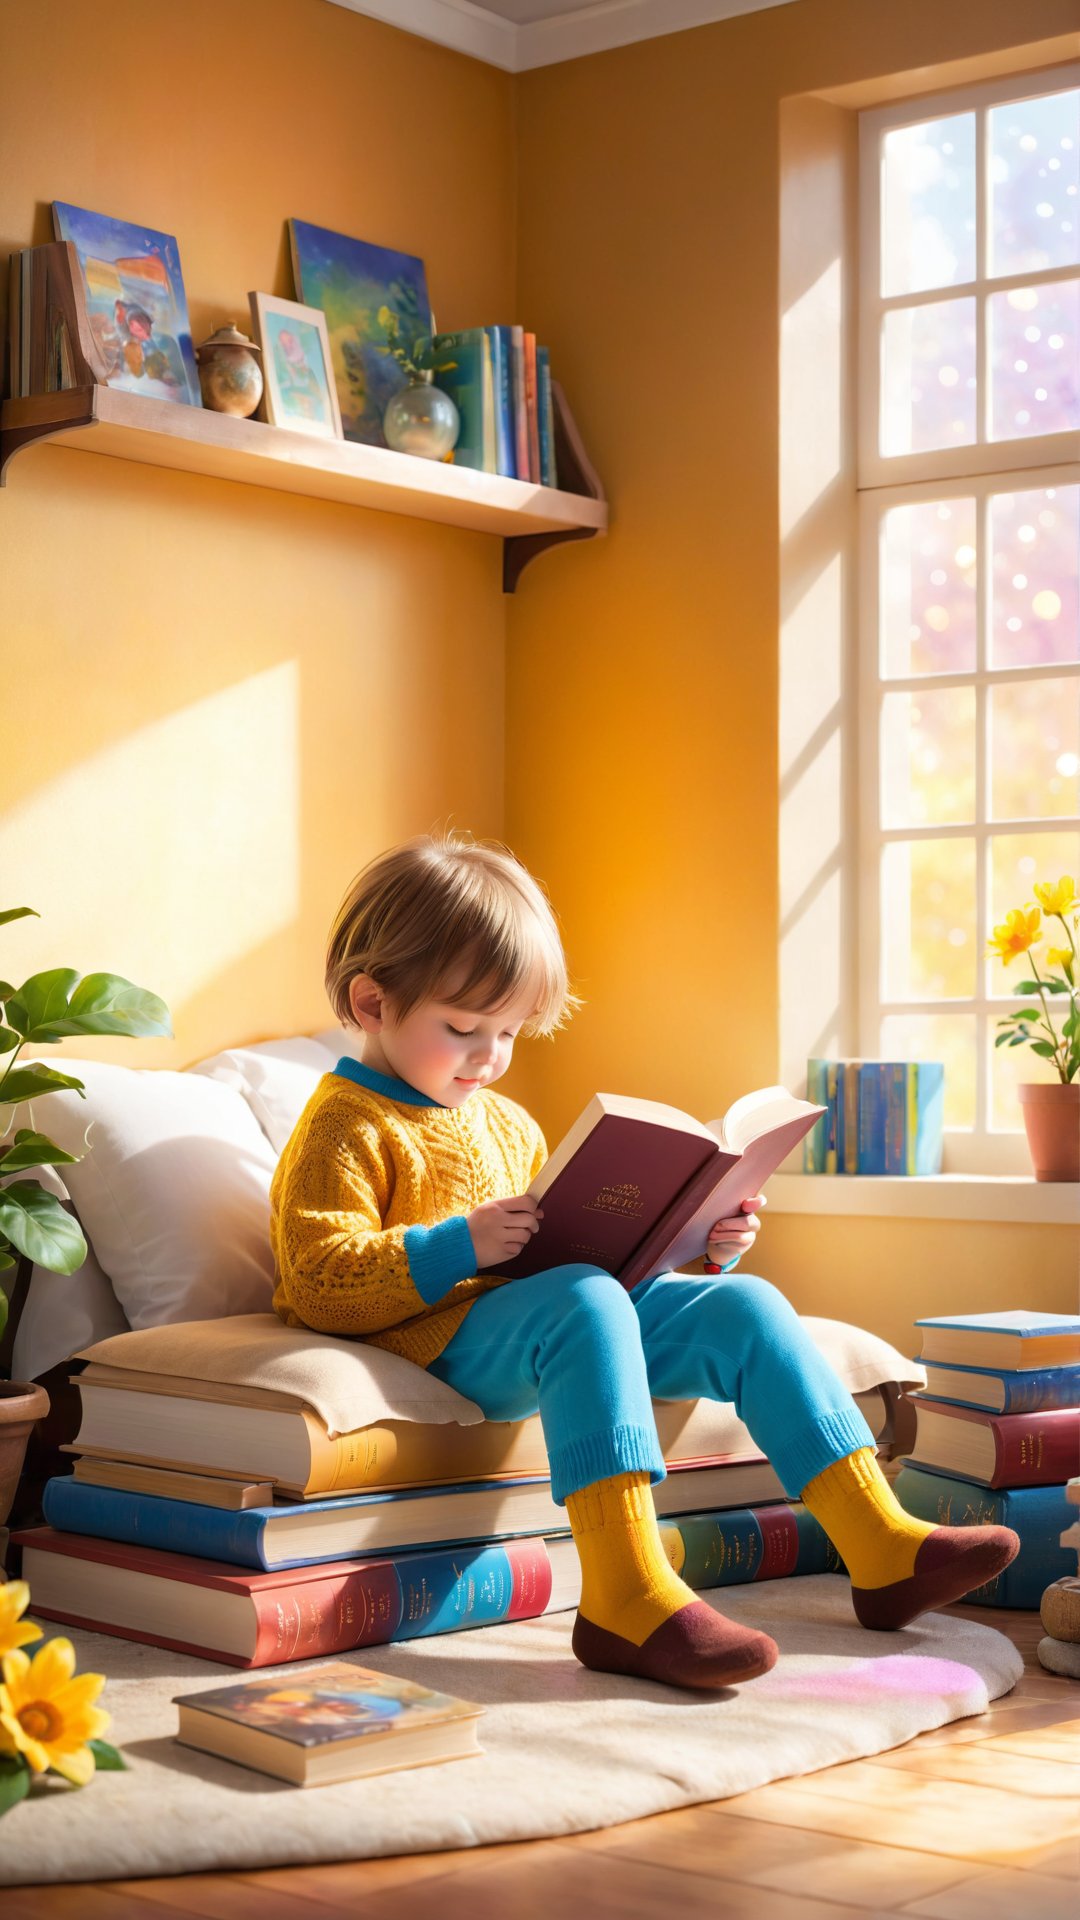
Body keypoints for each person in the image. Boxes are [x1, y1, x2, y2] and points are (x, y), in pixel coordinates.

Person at [271, 834, 1018, 1693]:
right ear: (371, 1004)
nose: (491, 1057)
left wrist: (699, 1241)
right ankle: (624, 1597)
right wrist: (458, 1246)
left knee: (744, 1306)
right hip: (437, 1336)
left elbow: (565, 1253)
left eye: (510, 1032)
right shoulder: (343, 1123)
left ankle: (882, 1545)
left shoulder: (506, 1123)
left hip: (546, 1318)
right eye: (465, 1029)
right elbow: (317, 1279)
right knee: (585, 1301)